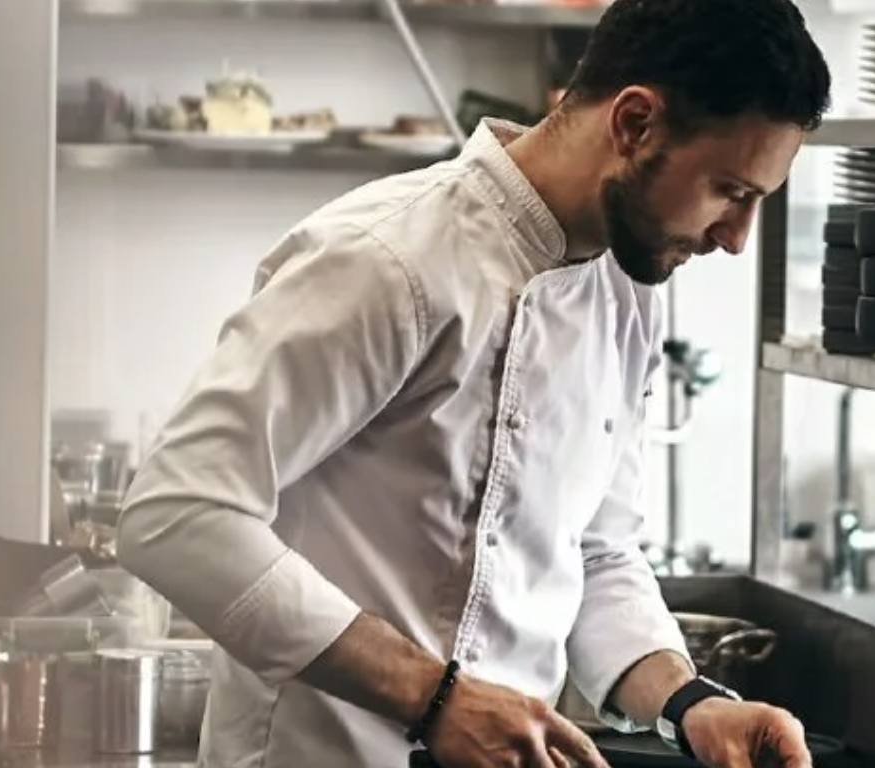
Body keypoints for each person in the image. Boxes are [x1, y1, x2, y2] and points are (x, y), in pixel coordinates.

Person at [115, 0, 831, 765]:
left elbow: (594, 553)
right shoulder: (386, 259)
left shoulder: (628, 295)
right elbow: (176, 513)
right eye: (732, 191)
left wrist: (690, 704)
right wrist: (437, 699)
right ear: (634, 125)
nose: (735, 239)